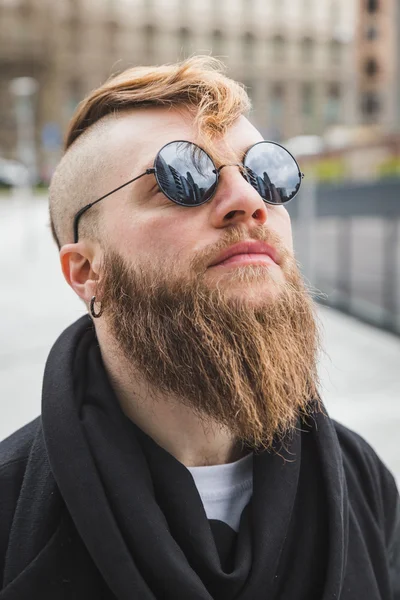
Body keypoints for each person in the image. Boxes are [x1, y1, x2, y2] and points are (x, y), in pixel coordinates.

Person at [0, 56, 399, 600]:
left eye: (267, 174)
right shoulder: (10, 514)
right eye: (181, 178)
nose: (249, 201)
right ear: (88, 272)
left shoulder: (365, 484)